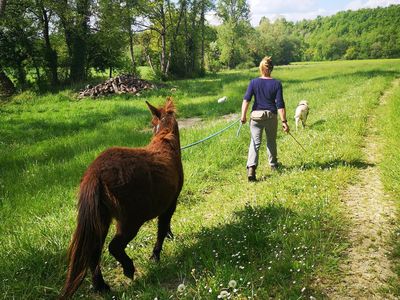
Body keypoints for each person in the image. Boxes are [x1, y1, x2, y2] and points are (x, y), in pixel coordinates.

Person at [240, 56, 290, 182]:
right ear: (271, 69)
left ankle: (251, 168)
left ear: (261, 68)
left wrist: (243, 116)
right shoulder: (276, 84)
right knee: (271, 141)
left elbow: (246, 100)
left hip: (256, 117)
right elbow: (280, 104)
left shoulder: (253, 82)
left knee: (255, 143)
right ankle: (273, 165)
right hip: (270, 116)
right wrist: (284, 122)